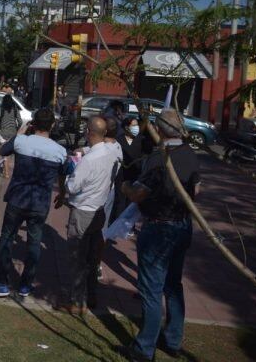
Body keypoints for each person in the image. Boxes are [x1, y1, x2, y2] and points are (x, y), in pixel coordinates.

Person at [118, 109, 200, 362]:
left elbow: (139, 194)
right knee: (173, 285)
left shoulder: (160, 158)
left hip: (160, 227)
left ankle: (145, 348)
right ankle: (172, 339)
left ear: (160, 130)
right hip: (182, 224)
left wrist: (125, 187)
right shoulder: (190, 155)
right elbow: (196, 189)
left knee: (152, 288)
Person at [0, 108, 67, 298]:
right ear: (52, 125)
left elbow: (3, 150)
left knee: (6, 238)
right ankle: (26, 285)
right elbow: (64, 172)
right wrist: (62, 193)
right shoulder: (60, 151)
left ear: (33, 124)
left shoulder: (21, 141)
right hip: (40, 203)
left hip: (17, 199)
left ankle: (1, 282)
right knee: (34, 242)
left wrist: (20, 132)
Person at [53, 116, 120, 314]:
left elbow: (72, 187)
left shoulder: (89, 161)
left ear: (89, 133)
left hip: (83, 211)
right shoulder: (111, 151)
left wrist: (66, 180)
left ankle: (76, 301)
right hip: (99, 210)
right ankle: (91, 295)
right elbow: (96, 150)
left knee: (77, 258)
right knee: (92, 258)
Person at [0, 94, 22, 178]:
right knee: (8, 154)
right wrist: (16, 128)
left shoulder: (1, 109)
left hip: (2, 133)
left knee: (4, 154)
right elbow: (20, 121)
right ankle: (4, 170)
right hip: (12, 133)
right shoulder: (15, 109)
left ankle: (6, 173)